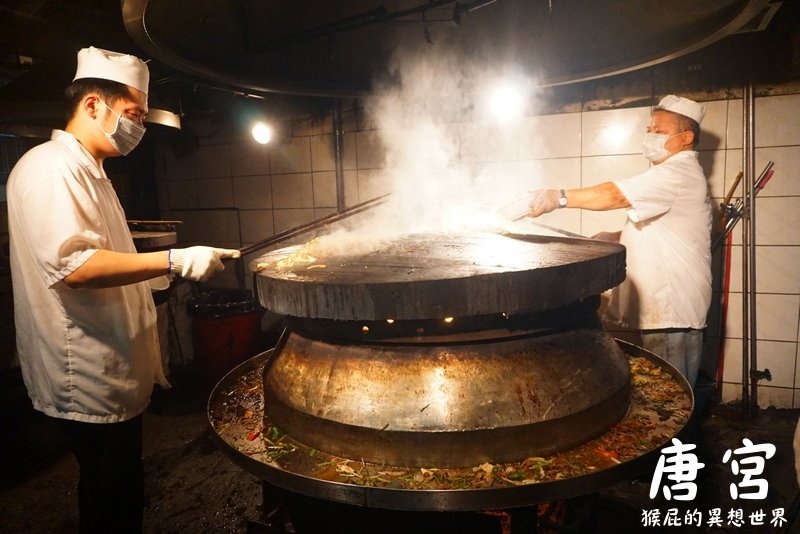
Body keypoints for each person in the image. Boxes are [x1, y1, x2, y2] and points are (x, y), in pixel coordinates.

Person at [6, 46, 240, 533]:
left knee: (121, 488)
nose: (137, 126)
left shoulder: (91, 170)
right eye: (131, 114)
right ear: (93, 104)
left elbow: (108, 251)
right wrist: (176, 259)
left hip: (106, 358)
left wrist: (168, 271)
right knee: (111, 497)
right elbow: (75, 267)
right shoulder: (52, 170)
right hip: (85, 369)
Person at [526, 95, 712, 388]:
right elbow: (662, 227)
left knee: (669, 396)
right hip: (667, 307)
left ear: (686, 137)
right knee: (666, 390)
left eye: (659, 131)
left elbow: (615, 195)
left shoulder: (678, 173)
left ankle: (682, 436)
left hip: (672, 309)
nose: (650, 136)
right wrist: (616, 237)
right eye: (649, 129)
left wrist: (558, 197)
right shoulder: (672, 173)